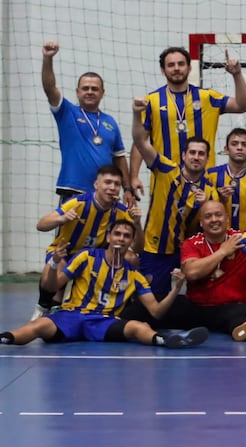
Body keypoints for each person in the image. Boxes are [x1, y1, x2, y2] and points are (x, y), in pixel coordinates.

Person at [0, 220, 207, 349]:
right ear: (109, 237)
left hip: (104, 322)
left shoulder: (134, 275)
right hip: (71, 315)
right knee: (39, 325)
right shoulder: (86, 257)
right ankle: (5, 338)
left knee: (138, 326)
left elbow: (156, 311)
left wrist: (176, 288)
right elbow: (53, 286)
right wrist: (54, 263)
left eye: (127, 236)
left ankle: (166, 341)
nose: (121, 239)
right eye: (117, 234)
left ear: (130, 242)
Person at [130, 46, 246, 199]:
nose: (176, 68)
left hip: (204, 185)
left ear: (189, 67)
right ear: (163, 70)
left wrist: (237, 75)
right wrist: (133, 176)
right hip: (165, 183)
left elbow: (243, 105)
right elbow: (140, 142)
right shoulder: (151, 101)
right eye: (171, 65)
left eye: (181, 64)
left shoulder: (207, 97)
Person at [128, 97, 218, 298]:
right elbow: (140, 141)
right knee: (151, 300)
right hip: (155, 248)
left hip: (187, 252)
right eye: (192, 152)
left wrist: (204, 207)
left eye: (201, 154)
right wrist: (136, 114)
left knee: (199, 299)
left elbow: (213, 227)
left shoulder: (210, 191)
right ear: (184, 155)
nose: (196, 157)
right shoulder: (166, 169)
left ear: (207, 158)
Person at [30, 164, 144, 320]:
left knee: (131, 258)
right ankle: (43, 305)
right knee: (55, 270)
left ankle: (123, 304)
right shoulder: (78, 203)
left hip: (93, 259)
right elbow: (41, 225)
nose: (112, 187)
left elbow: (138, 248)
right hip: (65, 253)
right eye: (108, 182)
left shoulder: (121, 212)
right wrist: (61, 218)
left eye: (117, 184)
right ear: (96, 185)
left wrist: (137, 223)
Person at [167, 200, 246, 340]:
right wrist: (222, 252)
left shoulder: (243, 240)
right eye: (208, 216)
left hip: (230, 309)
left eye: (218, 215)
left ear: (227, 218)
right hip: (196, 308)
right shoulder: (192, 243)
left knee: (240, 312)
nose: (214, 220)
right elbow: (191, 273)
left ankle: (243, 330)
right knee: (167, 302)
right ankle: (136, 327)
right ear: (201, 222)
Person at [41, 41, 132, 203]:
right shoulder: (66, 112)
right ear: (77, 92)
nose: (90, 92)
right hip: (73, 192)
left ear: (102, 93)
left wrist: (128, 189)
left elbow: (119, 158)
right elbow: (50, 88)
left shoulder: (110, 122)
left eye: (94, 89)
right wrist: (48, 59)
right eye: (85, 88)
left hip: (106, 195)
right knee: (70, 229)